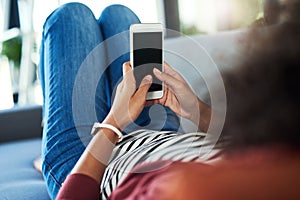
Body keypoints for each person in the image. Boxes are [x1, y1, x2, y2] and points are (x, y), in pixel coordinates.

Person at [40, 2, 300, 200]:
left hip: (93, 160)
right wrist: (196, 109)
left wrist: (113, 123)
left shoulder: (186, 189)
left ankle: (50, 145)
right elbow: (245, 136)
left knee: (70, 16)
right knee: (120, 15)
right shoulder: (282, 161)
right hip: (165, 132)